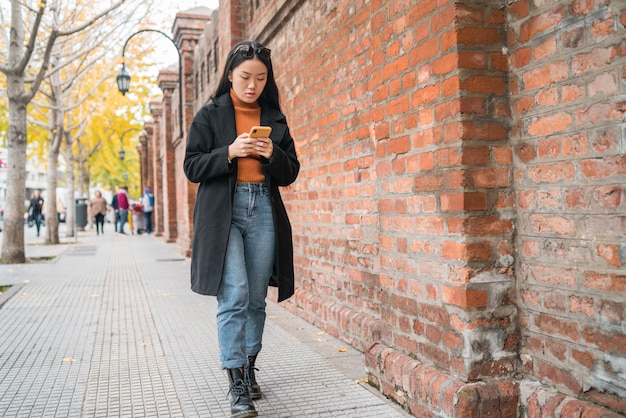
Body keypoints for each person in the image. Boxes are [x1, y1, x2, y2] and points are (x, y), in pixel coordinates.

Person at [184, 40, 300, 418]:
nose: (253, 85)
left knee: (254, 300)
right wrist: (230, 153)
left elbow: (291, 171)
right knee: (233, 294)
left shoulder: (274, 117)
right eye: (245, 76)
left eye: (261, 78)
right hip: (223, 215)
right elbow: (192, 166)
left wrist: (273, 155)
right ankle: (236, 385)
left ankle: (249, 369)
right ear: (230, 74)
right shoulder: (210, 115)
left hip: (263, 208)